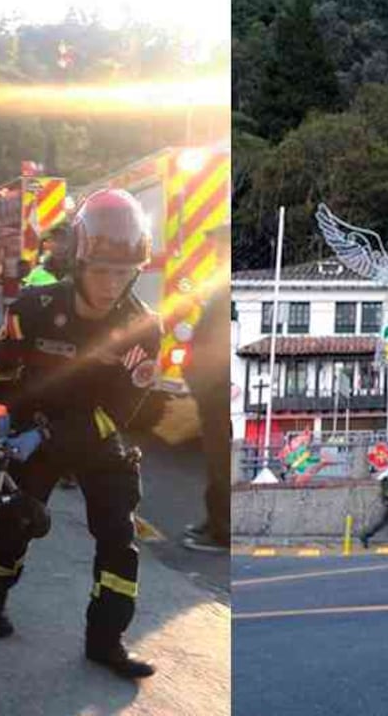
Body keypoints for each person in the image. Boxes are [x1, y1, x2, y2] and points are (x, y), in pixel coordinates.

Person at [0, 188, 164, 679]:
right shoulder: (33, 308)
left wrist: (48, 435)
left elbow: (118, 413)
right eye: (101, 269)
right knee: (13, 526)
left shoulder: (143, 328)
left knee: (119, 540)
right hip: (31, 431)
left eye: (122, 272)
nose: (110, 284)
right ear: (80, 261)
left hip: (96, 435)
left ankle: (106, 641)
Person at [181, 228, 231, 554]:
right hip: (211, 388)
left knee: (220, 460)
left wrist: (203, 381)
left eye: (219, 245)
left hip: (217, 390)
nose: (214, 251)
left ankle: (222, 531)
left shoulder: (227, 287)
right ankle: (213, 519)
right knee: (214, 460)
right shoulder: (220, 283)